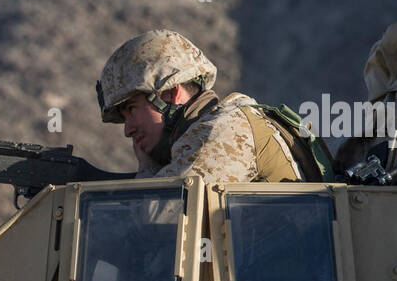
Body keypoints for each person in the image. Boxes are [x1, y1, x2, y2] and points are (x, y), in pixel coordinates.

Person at [97, 30, 304, 182]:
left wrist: (147, 169)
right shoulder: (209, 130)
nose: (127, 130)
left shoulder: (222, 131)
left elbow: (156, 222)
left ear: (170, 93)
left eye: (132, 109)